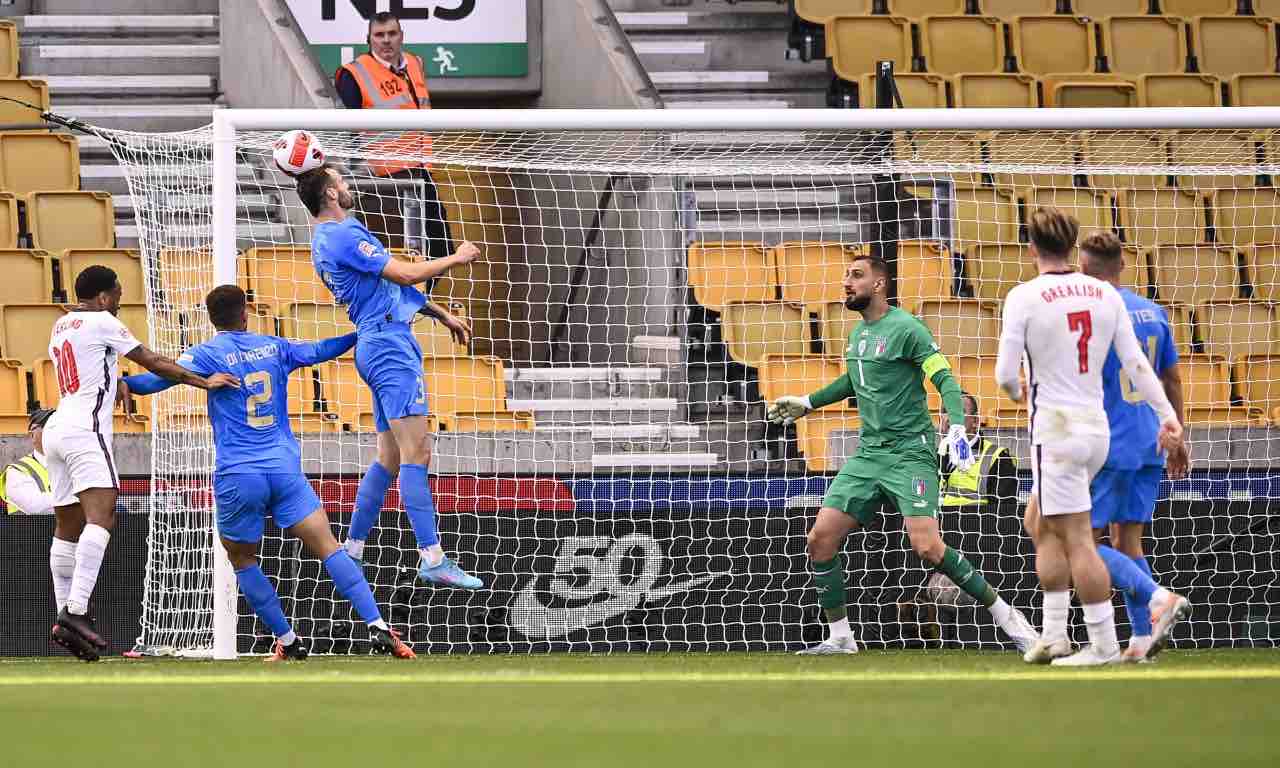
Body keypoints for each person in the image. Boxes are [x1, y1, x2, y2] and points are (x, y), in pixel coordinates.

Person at [122, 285, 416, 661]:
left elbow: (152, 382)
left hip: (239, 475)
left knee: (243, 559)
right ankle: (377, 626)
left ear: (211, 319)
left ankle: (289, 640)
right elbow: (320, 350)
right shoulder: (274, 346)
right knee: (329, 548)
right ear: (245, 312)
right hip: (283, 470)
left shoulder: (204, 354)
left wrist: (122, 384)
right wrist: (361, 334)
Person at [768, 254, 1037, 655]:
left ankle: (1008, 617)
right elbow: (855, 380)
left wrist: (959, 426)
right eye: (846, 275)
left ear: (879, 285)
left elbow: (943, 376)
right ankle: (841, 637)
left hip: (911, 453)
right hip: (869, 455)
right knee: (820, 540)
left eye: (856, 275)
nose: (847, 282)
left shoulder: (908, 329)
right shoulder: (857, 335)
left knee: (927, 547)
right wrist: (808, 402)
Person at [996, 208, 1182, 667]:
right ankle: (1055, 633)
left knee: (1078, 537)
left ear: (1032, 248)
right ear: (1071, 246)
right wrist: (1169, 418)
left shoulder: (1023, 296)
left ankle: (1108, 638)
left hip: (1055, 430)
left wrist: (1018, 390)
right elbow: (1139, 364)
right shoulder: (1104, 293)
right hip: (1097, 430)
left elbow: (1004, 375)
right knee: (1039, 522)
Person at [294, 163, 483, 590]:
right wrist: (457, 257)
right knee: (417, 454)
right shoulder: (340, 235)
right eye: (340, 181)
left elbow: (394, 288)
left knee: (390, 457)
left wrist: (442, 315)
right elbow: (405, 274)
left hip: (376, 342)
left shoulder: (330, 237)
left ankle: (354, 550)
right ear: (328, 194)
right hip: (390, 349)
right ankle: (432, 557)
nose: (347, 186)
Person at [45, 265, 238, 662]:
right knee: (102, 516)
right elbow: (152, 360)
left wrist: (114, 382)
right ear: (102, 297)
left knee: (67, 525)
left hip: (56, 427)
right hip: (85, 430)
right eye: (116, 294)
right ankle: (76, 612)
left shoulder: (62, 325)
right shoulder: (102, 321)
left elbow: (87, 370)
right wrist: (204, 381)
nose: (118, 301)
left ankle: (64, 615)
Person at [334, 10, 453, 257]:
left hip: (421, 170)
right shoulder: (354, 73)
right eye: (379, 35)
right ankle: (409, 296)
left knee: (441, 249)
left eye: (392, 33)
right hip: (385, 180)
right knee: (397, 253)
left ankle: (423, 295)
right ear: (369, 40)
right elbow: (349, 131)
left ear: (401, 36)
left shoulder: (415, 63)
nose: (386, 40)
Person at [939, 393, 1018, 508]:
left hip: (976, 524)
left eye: (959, 411)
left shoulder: (999, 458)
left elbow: (1005, 516)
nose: (950, 416)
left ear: (975, 421)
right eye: (946, 411)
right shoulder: (933, 455)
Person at [2, 408, 55, 514]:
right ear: (32, 435)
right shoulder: (17, 471)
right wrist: (83, 498)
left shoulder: (74, 464)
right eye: (50, 427)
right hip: (33, 530)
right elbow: (36, 506)